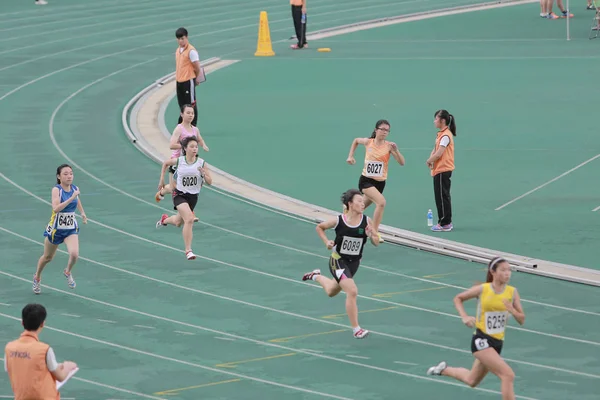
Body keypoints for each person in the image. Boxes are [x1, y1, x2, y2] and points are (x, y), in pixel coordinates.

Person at [426, 257, 525, 400]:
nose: (507, 274)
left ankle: (443, 370)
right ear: (493, 272)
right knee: (508, 375)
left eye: (509, 270)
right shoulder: (483, 289)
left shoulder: (512, 292)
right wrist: (464, 316)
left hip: (497, 343)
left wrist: (512, 310)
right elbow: (458, 298)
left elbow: (522, 319)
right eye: (503, 270)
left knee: (472, 380)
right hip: (481, 340)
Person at [301, 189, 380, 339]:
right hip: (338, 260)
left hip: (354, 263)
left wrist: (371, 235)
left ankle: (315, 276)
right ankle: (356, 329)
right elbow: (320, 227)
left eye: (363, 202)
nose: (363, 204)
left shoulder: (367, 221)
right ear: (350, 204)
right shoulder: (339, 220)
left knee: (331, 291)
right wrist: (327, 242)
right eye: (359, 201)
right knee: (352, 291)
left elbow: (376, 242)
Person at [346, 119, 405, 241]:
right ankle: (374, 232)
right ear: (376, 130)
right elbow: (356, 140)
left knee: (359, 208)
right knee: (381, 202)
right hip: (366, 181)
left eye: (387, 130)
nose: (384, 132)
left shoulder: (389, 146)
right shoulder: (369, 142)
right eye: (382, 129)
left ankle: (346, 216)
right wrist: (350, 156)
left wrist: (396, 150)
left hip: (380, 183)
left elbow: (402, 163)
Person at [5, 303, 78, 400]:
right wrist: (67, 367)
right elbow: (60, 377)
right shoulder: (45, 350)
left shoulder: (9, 348)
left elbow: (24, 367)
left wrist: (57, 366)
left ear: (22, 322)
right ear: (43, 323)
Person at [33, 164, 87, 295]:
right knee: (47, 257)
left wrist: (82, 213)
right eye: (65, 174)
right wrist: (72, 198)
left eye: (71, 173)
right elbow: (56, 208)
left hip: (70, 229)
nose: (69, 176)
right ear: (59, 176)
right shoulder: (57, 190)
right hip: (56, 230)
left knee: (74, 254)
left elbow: (77, 200)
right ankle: (37, 277)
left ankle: (67, 271)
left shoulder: (74, 189)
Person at [156, 136, 212, 260]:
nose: (194, 149)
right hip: (179, 195)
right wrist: (161, 179)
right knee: (190, 219)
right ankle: (188, 250)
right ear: (185, 148)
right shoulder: (179, 161)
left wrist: (203, 174)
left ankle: (164, 220)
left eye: (196, 147)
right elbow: (165, 163)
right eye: (191, 146)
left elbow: (210, 182)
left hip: (193, 198)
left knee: (177, 222)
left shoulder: (201, 163)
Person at [155, 104, 209, 221]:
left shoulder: (195, 129)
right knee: (175, 188)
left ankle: (187, 212)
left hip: (190, 162)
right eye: (188, 113)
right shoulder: (179, 129)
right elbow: (171, 145)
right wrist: (186, 146)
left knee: (192, 185)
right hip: (177, 162)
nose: (190, 115)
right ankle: (163, 191)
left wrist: (203, 145)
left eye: (192, 113)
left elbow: (199, 139)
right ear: (182, 114)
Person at [426, 110, 456, 232]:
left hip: (443, 169)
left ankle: (445, 222)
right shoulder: (440, 134)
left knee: (442, 197)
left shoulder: (446, 135)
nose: (434, 121)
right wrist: (431, 159)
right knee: (440, 196)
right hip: (439, 169)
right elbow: (435, 149)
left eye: (436, 119)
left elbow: (439, 153)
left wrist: (429, 160)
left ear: (442, 120)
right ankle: (444, 221)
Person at [175, 27, 203, 127]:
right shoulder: (178, 50)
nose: (180, 41)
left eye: (182, 38)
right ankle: (182, 126)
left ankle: (193, 126)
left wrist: (196, 78)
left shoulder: (191, 51)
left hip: (188, 81)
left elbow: (197, 66)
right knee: (182, 106)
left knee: (191, 105)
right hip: (179, 81)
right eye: (178, 39)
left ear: (187, 37)